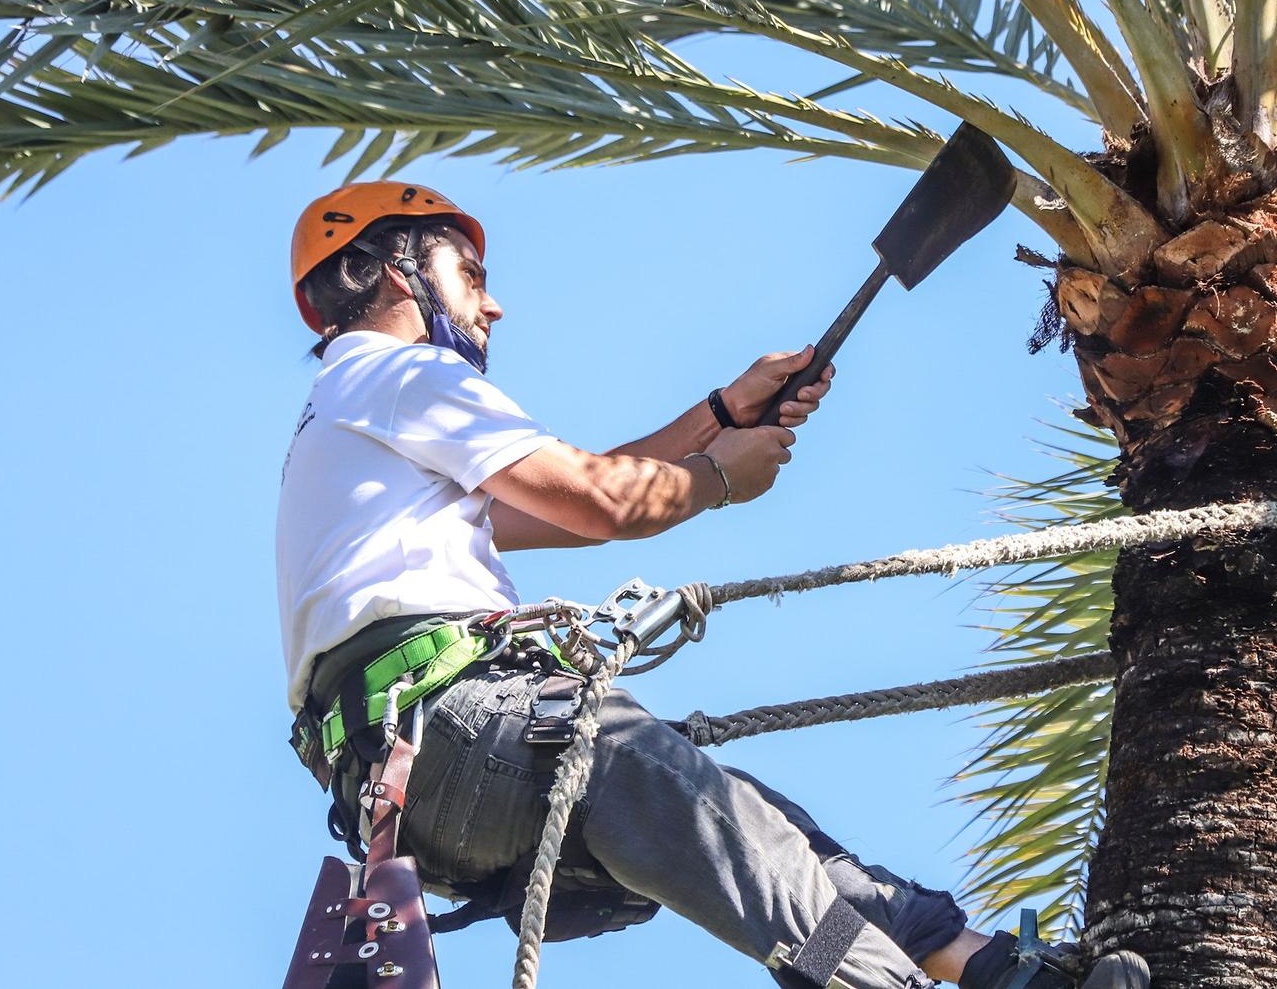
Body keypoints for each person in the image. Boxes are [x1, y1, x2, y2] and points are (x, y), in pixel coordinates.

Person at [277, 181, 1151, 989]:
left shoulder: (354, 428)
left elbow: (579, 490)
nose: (492, 300)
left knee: (764, 829)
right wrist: (722, 478)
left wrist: (724, 416)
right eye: (468, 274)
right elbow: (600, 500)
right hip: (454, 735)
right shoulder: (397, 371)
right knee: (702, 811)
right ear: (394, 269)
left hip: (429, 786)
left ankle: (1004, 970)